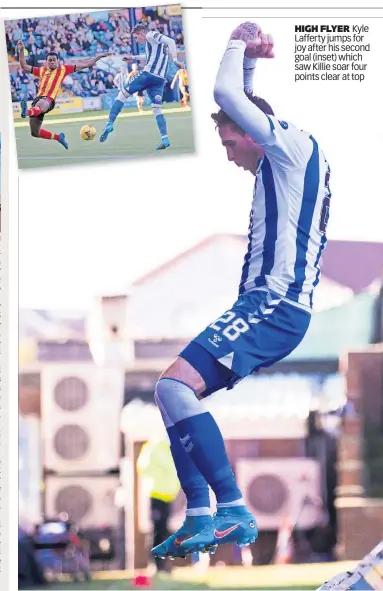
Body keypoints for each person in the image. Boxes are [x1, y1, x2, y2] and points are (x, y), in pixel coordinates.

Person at [150, 22, 332, 559]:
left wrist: (235, 41)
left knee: (174, 387)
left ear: (254, 132)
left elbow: (231, 99)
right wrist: (251, 64)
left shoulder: (292, 145)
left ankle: (230, 508)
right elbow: (244, 103)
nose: (229, 153)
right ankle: (202, 513)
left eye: (230, 141)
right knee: (170, 393)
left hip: (274, 305)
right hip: (266, 306)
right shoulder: (280, 160)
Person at [100, 23, 183, 149]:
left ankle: (110, 123)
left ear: (142, 33)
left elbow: (171, 41)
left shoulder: (151, 34)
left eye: (136, 37)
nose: (137, 41)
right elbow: (148, 57)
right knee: (156, 109)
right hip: (159, 80)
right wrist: (132, 58)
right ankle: (165, 138)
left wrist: (175, 59)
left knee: (122, 94)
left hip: (148, 74)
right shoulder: (154, 45)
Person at [16, 40, 110, 149]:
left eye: (54, 60)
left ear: (58, 61)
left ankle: (26, 111)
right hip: (38, 100)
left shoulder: (63, 69)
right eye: (49, 60)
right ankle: (59, 137)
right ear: (46, 62)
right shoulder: (41, 70)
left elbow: (86, 64)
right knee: (35, 132)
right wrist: (22, 49)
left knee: (41, 105)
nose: (52, 62)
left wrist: (98, 56)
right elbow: (24, 66)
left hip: (49, 100)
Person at [137, 438, 181, 572]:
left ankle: (162, 563)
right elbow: (143, 467)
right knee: (157, 530)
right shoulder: (154, 447)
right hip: (156, 494)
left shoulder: (171, 448)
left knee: (164, 530)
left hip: (168, 495)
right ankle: (155, 564)